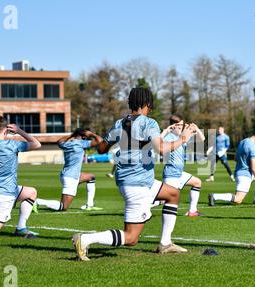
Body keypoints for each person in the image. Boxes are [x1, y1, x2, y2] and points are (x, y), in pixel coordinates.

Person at [71, 87, 195, 261]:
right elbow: (161, 149)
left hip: (135, 179)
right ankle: (85, 239)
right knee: (131, 238)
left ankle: (165, 243)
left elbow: (101, 147)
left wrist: (99, 137)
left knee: (173, 194)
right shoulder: (149, 123)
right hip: (137, 184)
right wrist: (183, 138)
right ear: (147, 103)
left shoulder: (119, 123)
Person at [35, 128, 104, 212]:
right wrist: (92, 134)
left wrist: (72, 135)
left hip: (67, 174)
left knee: (91, 177)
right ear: (83, 136)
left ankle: (89, 205)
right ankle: (37, 202)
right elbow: (100, 140)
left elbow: (59, 141)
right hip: (71, 178)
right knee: (63, 207)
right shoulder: (81, 143)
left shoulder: (66, 144)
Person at [159, 115, 205, 217]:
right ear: (173, 125)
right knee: (164, 199)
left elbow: (202, 139)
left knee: (197, 182)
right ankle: (141, 207)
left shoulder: (182, 137)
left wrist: (196, 128)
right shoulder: (169, 137)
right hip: (171, 174)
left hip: (179, 173)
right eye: (178, 125)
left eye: (181, 125)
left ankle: (192, 211)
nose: (180, 127)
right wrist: (165, 131)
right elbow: (158, 144)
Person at [208, 129, 255, 206]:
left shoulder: (243, 141)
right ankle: (215, 196)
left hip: (238, 172)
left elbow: (235, 158)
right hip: (244, 176)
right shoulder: (254, 148)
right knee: (238, 200)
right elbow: (254, 168)